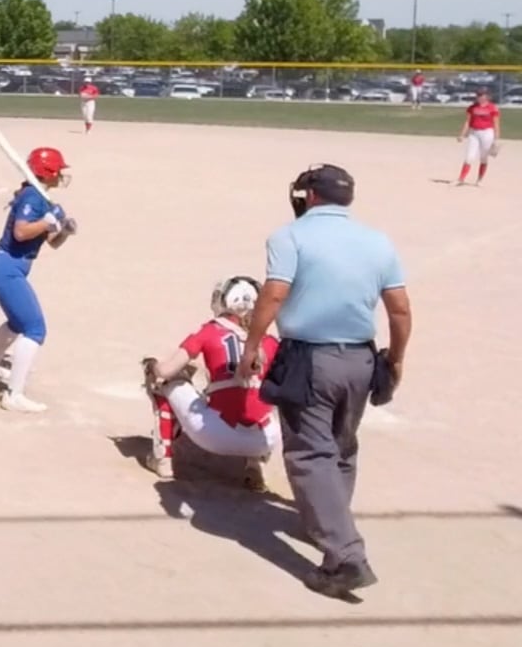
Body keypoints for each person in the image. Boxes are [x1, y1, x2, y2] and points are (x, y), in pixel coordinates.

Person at [237, 164, 411, 599]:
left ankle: (345, 557)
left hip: (309, 357)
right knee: (341, 446)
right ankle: (327, 523)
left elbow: (274, 293)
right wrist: (395, 359)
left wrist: (252, 345)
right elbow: (400, 309)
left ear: (310, 195)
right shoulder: (377, 240)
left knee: (310, 454)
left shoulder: (290, 236)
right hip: (361, 358)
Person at [141, 277, 280, 490]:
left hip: (215, 434)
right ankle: (255, 466)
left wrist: (152, 366)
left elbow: (166, 370)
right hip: (265, 438)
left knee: (166, 381)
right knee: (263, 397)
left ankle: (163, 458)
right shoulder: (270, 341)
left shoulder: (210, 330)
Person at [0, 147, 75, 413]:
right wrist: (47, 222)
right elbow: (21, 232)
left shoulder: (44, 200)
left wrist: (63, 230)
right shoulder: (32, 196)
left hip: (9, 268)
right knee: (35, 329)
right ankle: (13, 395)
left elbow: (52, 242)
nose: (61, 175)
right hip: (6, 268)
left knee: (17, 323)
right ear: (47, 172)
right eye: (58, 170)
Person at [455, 88, 500, 186]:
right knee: (469, 157)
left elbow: (496, 124)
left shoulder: (492, 108)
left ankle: (479, 180)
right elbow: (468, 122)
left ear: (487, 96)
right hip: (474, 133)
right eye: (478, 95)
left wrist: (496, 139)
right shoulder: (472, 108)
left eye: (481, 95)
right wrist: (462, 135)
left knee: (483, 158)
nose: (479, 97)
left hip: (487, 133)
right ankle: (461, 179)